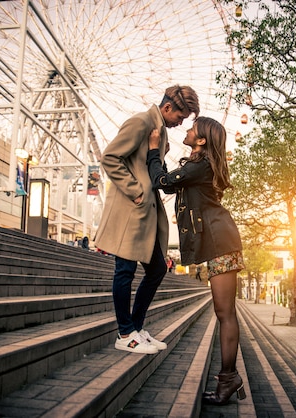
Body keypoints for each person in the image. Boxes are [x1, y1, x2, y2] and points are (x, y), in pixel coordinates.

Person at [147, 116, 246, 405]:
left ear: (201, 140)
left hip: (221, 242)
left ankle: (229, 378)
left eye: (192, 130)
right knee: (223, 312)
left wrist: (155, 152)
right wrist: (162, 157)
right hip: (219, 240)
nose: (187, 131)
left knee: (225, 313)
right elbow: (168, 186)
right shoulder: (198, 166)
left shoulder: (199, 166)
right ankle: (228, 378)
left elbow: (160, 181)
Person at [94, 85, 200, 355]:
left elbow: (153, 170)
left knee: (156, 270)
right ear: (167, 108)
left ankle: (136, 328)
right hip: (132, 209)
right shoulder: (141, 122)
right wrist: (136, 191)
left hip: (147, 214)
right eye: (181, 116)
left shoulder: (159, 131)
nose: (181, 122)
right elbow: (109, 157)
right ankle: (124, 332)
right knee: (125, 270)